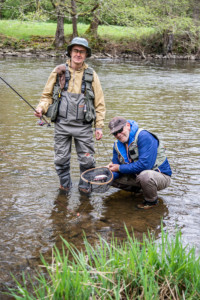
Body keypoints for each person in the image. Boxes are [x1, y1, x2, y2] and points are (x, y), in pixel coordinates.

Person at [34, 37, 106, 193]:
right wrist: (41, 109)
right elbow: (47, 96)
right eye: (75, 50)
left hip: (83, 127)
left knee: (87, 160)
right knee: (60, 159)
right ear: (70, 52)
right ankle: (65, 186)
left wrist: (98, 126)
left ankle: (85, 188)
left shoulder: (91, 75)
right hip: (62, 125)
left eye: (82, 51)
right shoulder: (59, 71)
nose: (78, 54)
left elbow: (99, 103)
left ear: (86, 54)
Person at [107, 116, 172, 209]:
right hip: (137, 176)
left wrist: (119, 168)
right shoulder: (117, 145)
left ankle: (151, 202)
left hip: (160, 176)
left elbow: (145, 165)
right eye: (115, 133)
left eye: (120, 130)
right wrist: (106, 175)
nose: (118, 135)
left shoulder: (144, 136)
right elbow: (115, 167)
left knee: (145, 176)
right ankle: (141, 191)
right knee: (107, 177)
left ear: (128, 126)